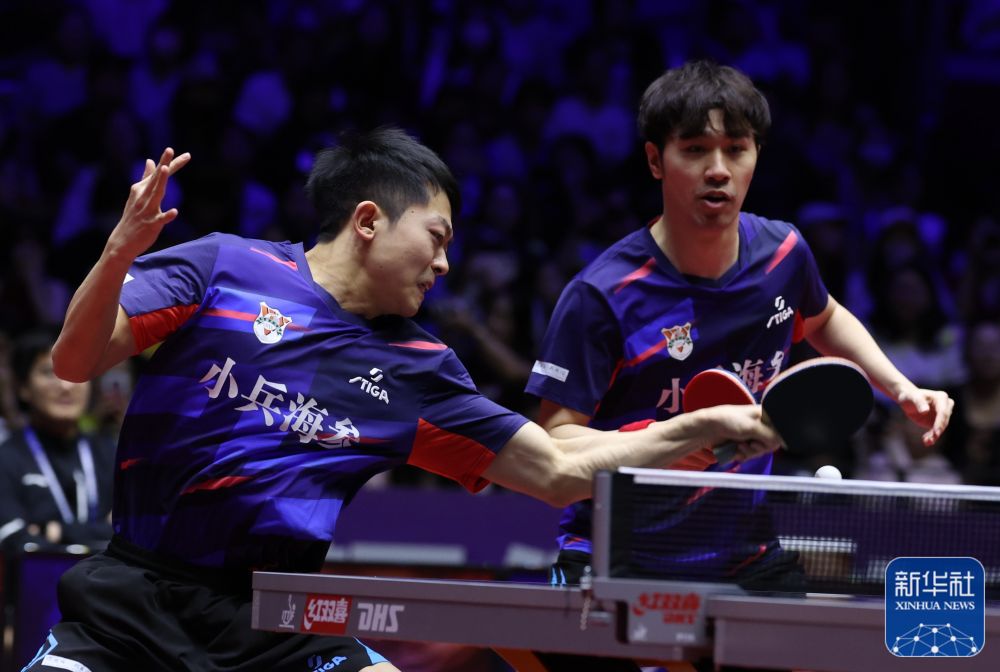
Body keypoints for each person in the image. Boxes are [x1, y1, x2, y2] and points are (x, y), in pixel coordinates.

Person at [28, 128, 782, 672]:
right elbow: (76, 358)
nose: (445, 263)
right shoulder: (225, 267)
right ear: (368, 221)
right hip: (131, 605)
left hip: (273, 622)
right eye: (436, 236)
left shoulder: (419, 367)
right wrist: (118, 253)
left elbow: (555, 470)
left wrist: (697, 427)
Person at [525, 61, 953, 671]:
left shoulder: (783, 254)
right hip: (614, 551)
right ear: (655, 161)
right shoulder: (603, 294)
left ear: (756, 157)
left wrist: (900, 388)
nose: (718, 169)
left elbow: (823, 316)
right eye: (695, 149)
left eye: (736, 148)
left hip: (738, 550)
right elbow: (555, 441)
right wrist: (675, 438)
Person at [0, 328, 115, 559]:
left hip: (103, 581)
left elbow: (132, 534)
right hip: (37, 582)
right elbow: (14, 541)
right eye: (49, 372)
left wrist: (56, 531)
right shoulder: (7, 458)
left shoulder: (111, 453)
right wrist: (100, 532)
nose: (66, 386)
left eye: (78, 371)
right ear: (23, 388)